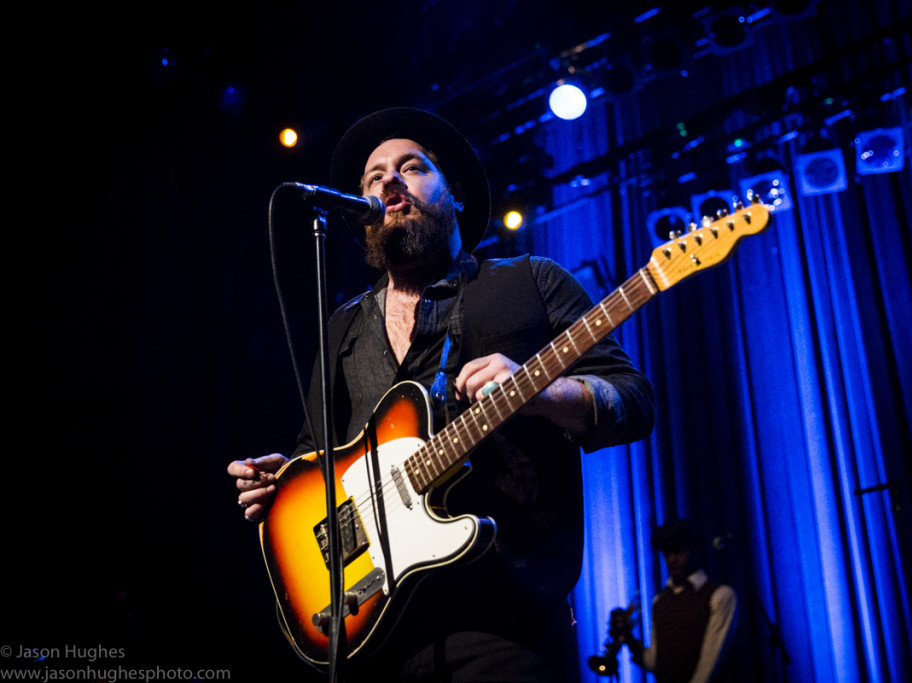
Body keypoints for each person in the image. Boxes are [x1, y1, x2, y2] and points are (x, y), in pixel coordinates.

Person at [227, 107, 655, 682]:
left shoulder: (530, 282)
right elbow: (319, 454)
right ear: (361, 215)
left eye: (411, 167)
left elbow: (632, 400)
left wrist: (541, 393)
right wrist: (284, 484)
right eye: (374, 176)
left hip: (504, 620)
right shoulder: (344, 328)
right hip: (372, 633)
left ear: (454, 196)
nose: (389, 182)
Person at [618, 519, 737, 683]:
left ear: (693, 549)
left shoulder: (720, 595)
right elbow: (655, 663)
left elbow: (708, 667)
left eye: (679, 551)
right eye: (667, 552)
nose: (672, 559)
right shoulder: (660, 601)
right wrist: (628, 638)